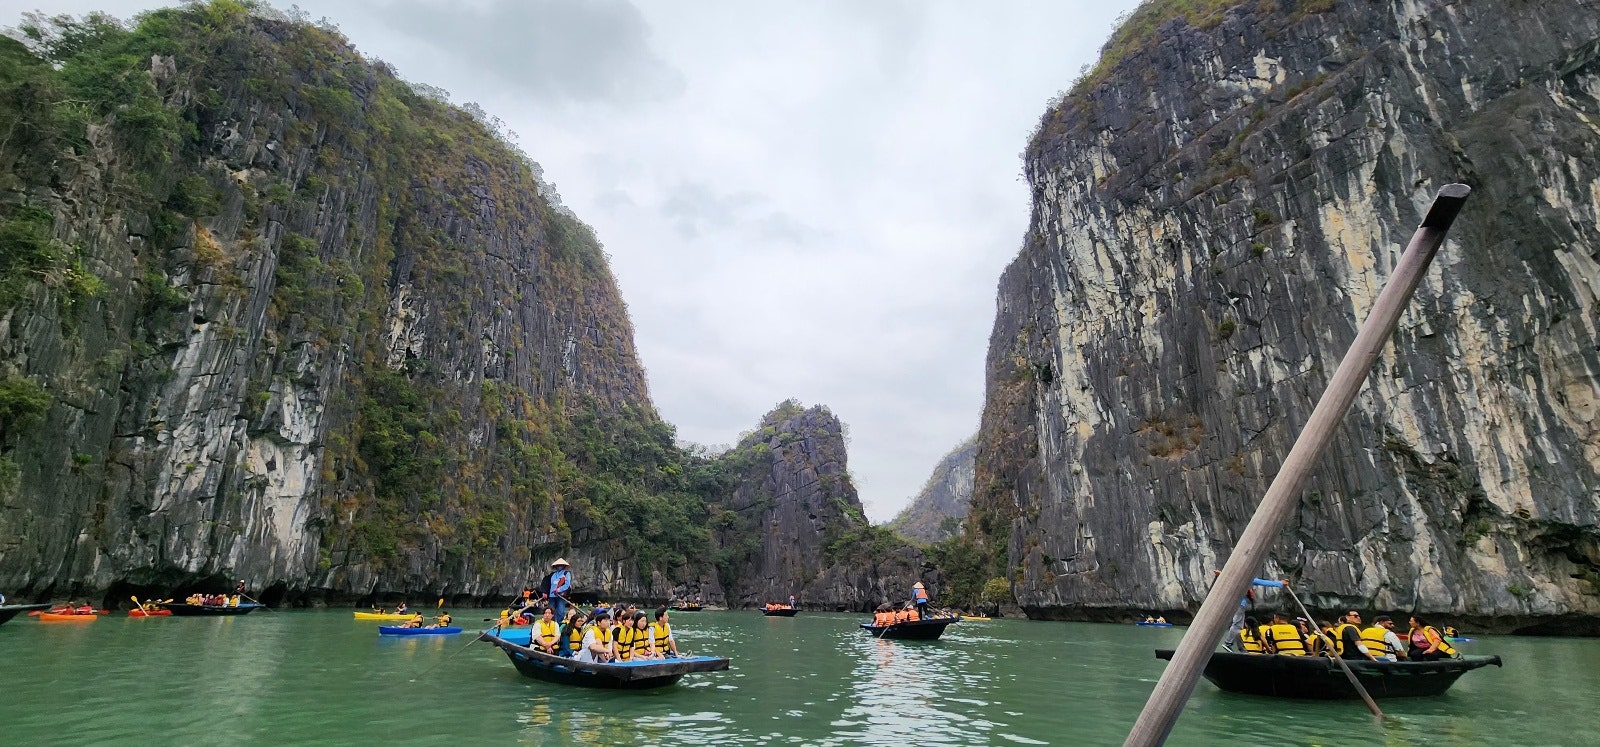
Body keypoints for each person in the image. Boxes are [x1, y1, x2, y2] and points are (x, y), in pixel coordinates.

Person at [1217, 572, 1287, 652]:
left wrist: (1220, 573)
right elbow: (1264, 582)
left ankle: (1230, 643)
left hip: (1234, 604)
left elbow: (1228, 575)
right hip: (1239, 604)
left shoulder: (1237, 578)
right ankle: (1228, 643)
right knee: (1237, 625)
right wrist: (1280, 583)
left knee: (1237, 625)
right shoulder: (1248, 579)